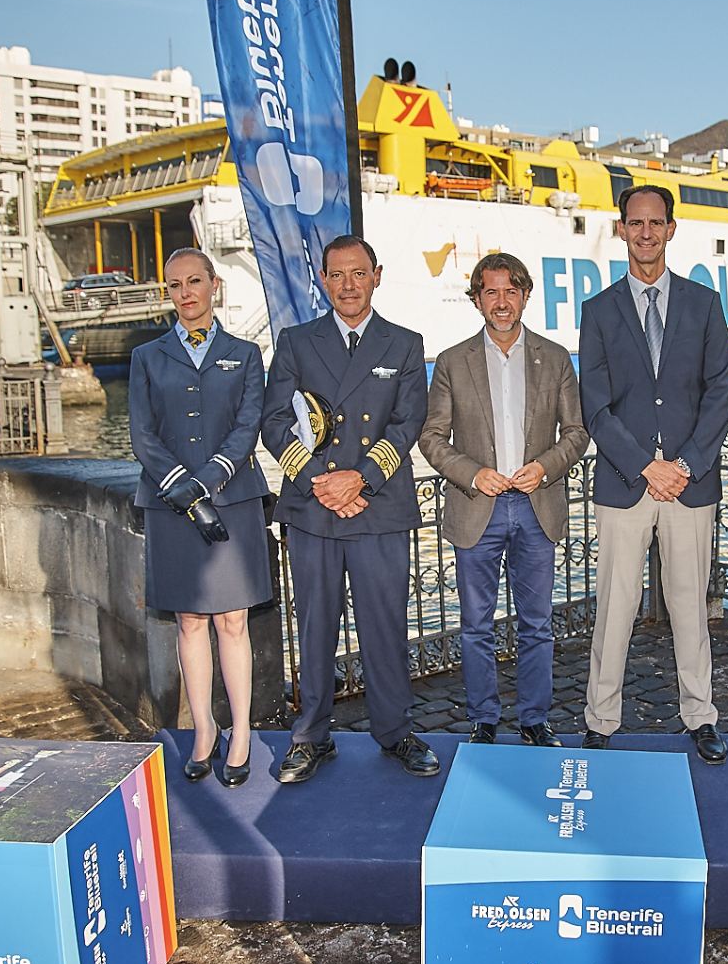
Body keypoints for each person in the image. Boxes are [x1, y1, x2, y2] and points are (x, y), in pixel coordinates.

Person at [260, 234, 438, 783]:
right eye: (336, 275)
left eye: (358, 273)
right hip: (314, 509)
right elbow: (273, 422)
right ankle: (311, 736)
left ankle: (395, 731)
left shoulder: (404, 344)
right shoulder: (294, 342)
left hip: (376, 504)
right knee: (315, 626)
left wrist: (357, 479)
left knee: (384, 625)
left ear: (376, 276)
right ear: (322, 280)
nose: (348, 285)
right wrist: (321, 482)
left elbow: (408, 423)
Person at [578, 185, 728, 763]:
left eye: (656, 223)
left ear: (672, 229)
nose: (645, 232)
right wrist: (646, 466)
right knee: (615, 605)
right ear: (621, 229)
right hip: (626, 482)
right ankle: (601, 717)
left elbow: (721, 393)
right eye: (635, 223)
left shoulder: (704, 304)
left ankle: (700, 716)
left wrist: (686, 464)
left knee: (691, 603)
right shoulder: (598, 312)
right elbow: (594, 404)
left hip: (690, 483)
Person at [419, 253, 589, 746]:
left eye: (510, 291)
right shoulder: (452, 361)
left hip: (537, 508)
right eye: (490, 292)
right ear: (476, 300)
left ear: (525, 296)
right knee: (476, 626)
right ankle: (484, 719)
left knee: (537, 624)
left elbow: (577, 433)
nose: (501, 302)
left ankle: (535, 719)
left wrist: (545, 467)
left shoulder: (555, 358)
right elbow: (432, 437)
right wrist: (474, 475)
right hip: (478, 508)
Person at [129, 247, 271, 788]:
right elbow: (142, 434)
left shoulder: (246, 353)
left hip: (231, 499)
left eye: (195, 281)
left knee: (234, 621)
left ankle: (239, 731)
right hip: (169, 504)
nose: (186, 292)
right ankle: (204, 730)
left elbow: (248, 425)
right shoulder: (147, 356)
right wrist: (182, 491)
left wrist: (206, 481)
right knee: (189, 621)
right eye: (174, 285)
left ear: (215, 285)